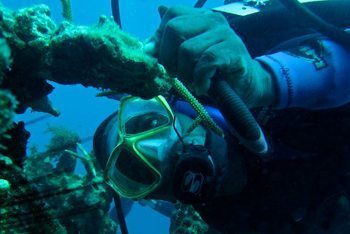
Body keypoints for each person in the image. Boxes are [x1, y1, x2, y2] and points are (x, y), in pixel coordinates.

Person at [94, 3, 350, 233]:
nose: (155, 150)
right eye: (137, 171)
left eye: (149, 123)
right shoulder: (232, 218)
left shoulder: (224, 66)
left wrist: (262, 80)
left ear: (168, 104)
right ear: (153, 194)